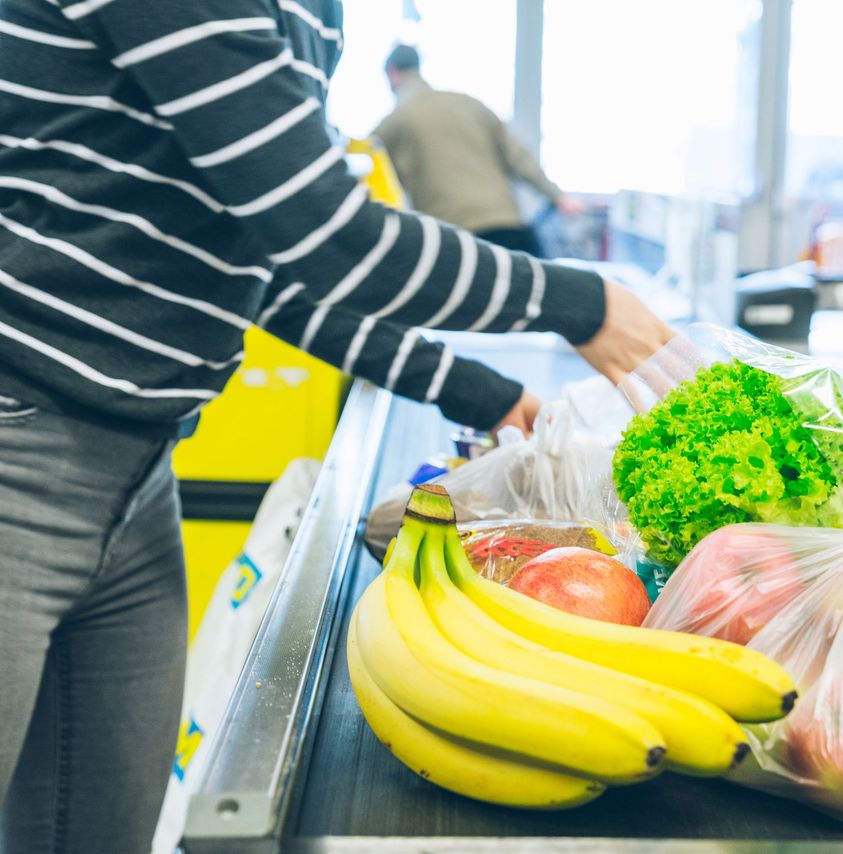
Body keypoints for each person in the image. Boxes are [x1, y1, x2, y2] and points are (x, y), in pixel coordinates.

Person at [0, 1, 672, 850]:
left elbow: (261, 264)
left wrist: (476, 390)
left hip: (135, 472)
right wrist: (577, 300)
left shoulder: (307, 12)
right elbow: (322, 234)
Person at [374, 44, 582, 258]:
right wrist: (558, 196)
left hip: (456, 243)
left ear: (392, 73)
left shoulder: (393, 123)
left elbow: (368, 183)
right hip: (511, 232)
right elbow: (519, 158)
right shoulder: (470, 104)